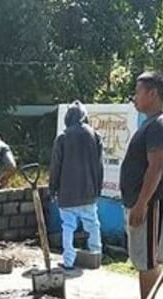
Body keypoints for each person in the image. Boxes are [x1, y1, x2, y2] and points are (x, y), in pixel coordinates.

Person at [117, 71, 163, 299]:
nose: (134, 96)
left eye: (138, 91)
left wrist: (141, 203)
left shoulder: (160, 125)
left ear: (152, 93)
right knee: (143, 258)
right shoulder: (151, 123)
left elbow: (156, 168)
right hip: (141, 201)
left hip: (150, 204)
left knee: (149, 260)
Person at [49, 101, 104, 270]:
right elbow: (99, 165)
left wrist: (53, 188)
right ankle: (96, 256)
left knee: (68, 227)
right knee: (93, 224)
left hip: (67, 193)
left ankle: (68, 261)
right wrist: (98, 188)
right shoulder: (95, 135)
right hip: (88, 191)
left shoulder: (63, 137)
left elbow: (56, 166)